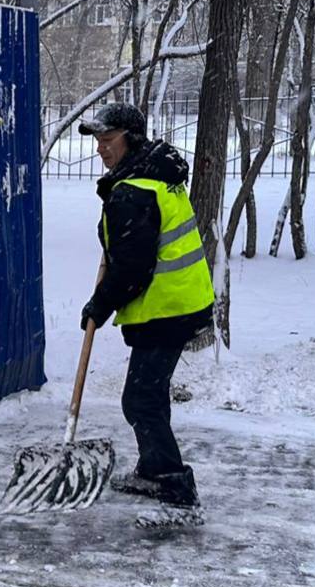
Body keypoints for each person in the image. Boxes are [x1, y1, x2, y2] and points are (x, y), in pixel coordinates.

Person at [77, 103, 214, 528]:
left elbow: (132, 270)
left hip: (167, 307)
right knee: (146, 397)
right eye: (97, 141)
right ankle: (154, 469)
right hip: (180, 302)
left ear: (130, 140)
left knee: (140, 399)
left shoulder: (135, 191)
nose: (101, 148)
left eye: (108, 139)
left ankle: (176, 487)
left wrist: (100, 304)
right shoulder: (156, 176)